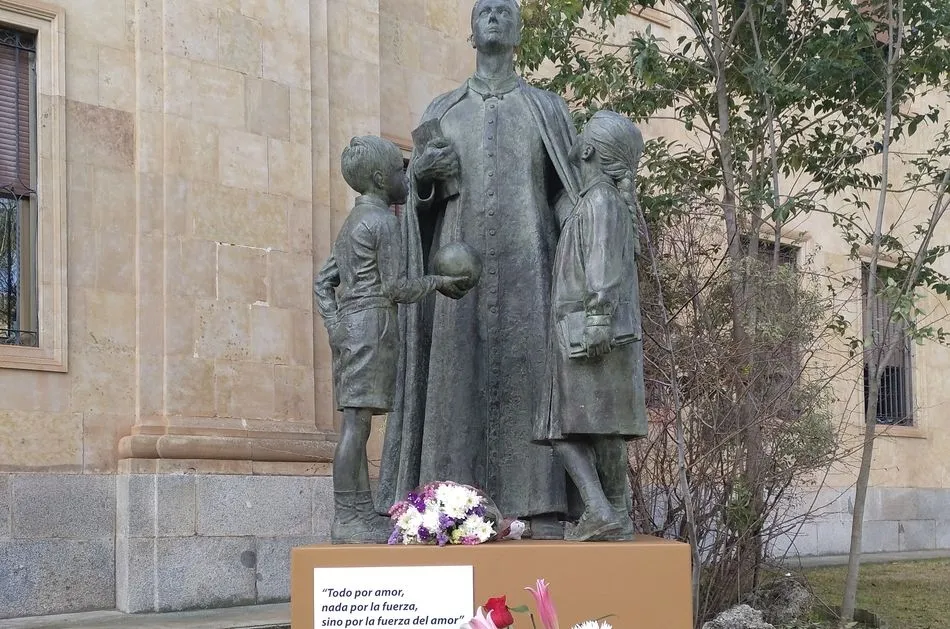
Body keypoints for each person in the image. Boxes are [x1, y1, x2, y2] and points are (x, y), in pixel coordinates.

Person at [375, 0, 582, 537]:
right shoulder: (442, 110)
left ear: (517, 31)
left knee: (534, 379)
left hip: (529, 267)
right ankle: (448, 507)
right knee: (455, 378)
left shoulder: (547, 109)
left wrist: (587, 242)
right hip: (456, 280)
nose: (493, 16)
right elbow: (413, 196)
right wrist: (420, 176)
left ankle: (539, 506)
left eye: (504, 10)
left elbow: (566, 193)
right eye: (483, 10)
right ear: (470, 32)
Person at [314, 136, 470, 544]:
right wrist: (440, 281)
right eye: (401, 171)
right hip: (371, 324)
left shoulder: (354, 223)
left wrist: (335, 324)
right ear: (382, 179)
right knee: (356, 423)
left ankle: (356, 512)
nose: (406, 176)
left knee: (356, 421)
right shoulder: (383, 222)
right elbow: (398, 288)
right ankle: (349, 515)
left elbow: (323, 283)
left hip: (353, 324)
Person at [534, 111, 648, 541]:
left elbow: (601, 266)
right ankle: (617, 512)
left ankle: (600, 508)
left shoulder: (600, 201)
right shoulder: (602, 201)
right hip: (600, 329)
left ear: (587, 150)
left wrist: (598, 317)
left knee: (559, 428)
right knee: (606, 430)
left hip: (589, 331)